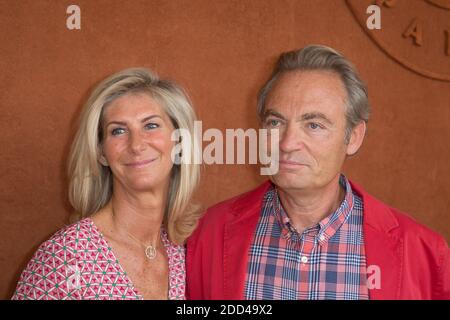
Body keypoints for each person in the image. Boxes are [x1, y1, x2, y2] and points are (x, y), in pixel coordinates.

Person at [186, 45, 450, 300]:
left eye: (313, 125)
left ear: (354, 137)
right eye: (275, 122)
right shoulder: (209, 233)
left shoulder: (424, 253)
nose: (287, 143)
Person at [12, 68, 201, 300]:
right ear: (101, 153)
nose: (136, 145)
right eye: (118, 131)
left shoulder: (186, 253)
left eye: (151, 125)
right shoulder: (65, 258)